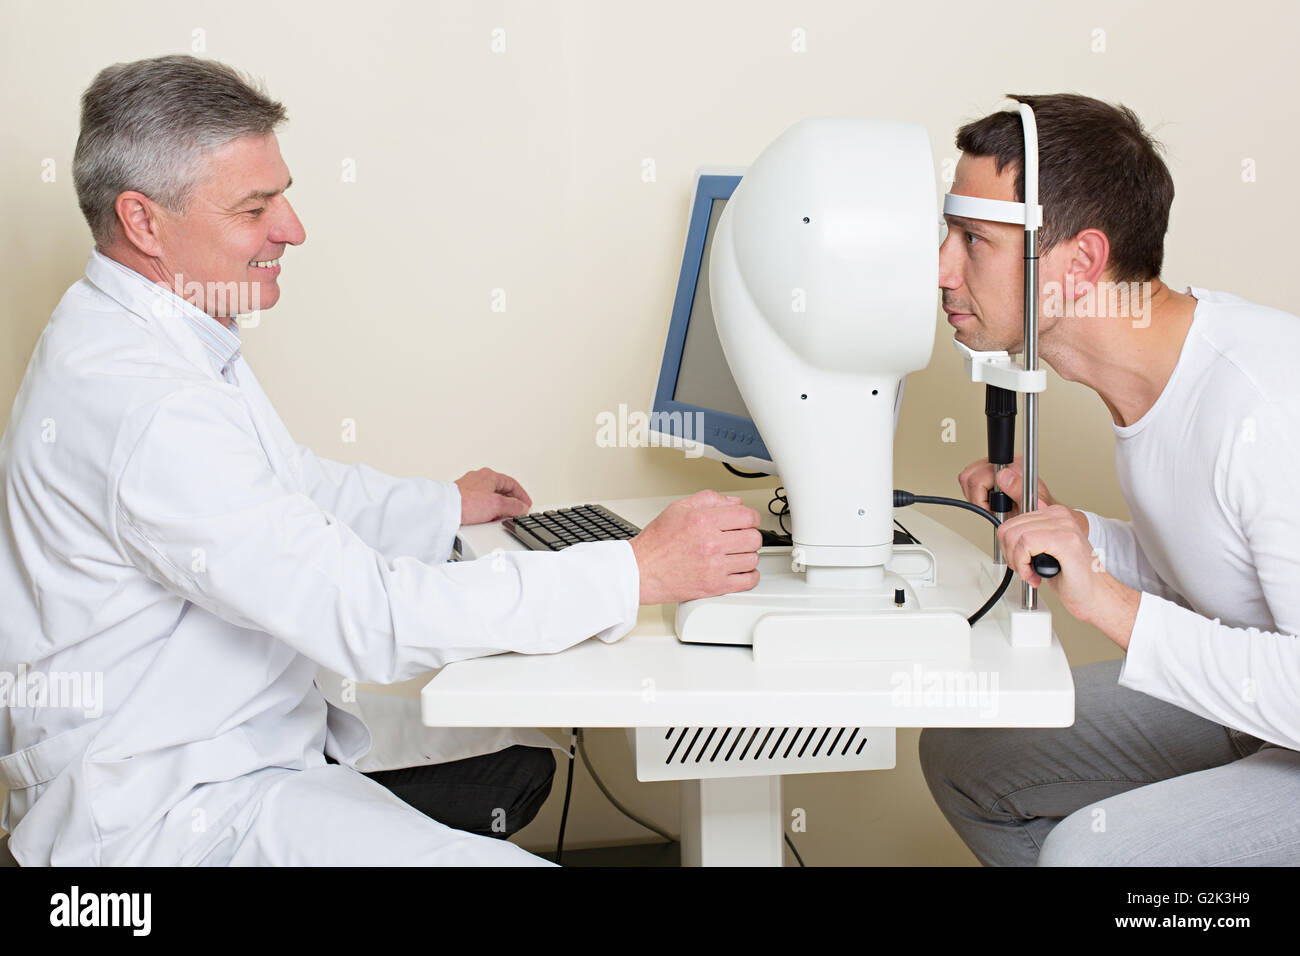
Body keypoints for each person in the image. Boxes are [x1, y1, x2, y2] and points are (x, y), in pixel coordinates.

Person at [0, 54, 762, 866]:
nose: (292, 228)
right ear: (145, 222)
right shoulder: (143, 402)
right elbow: (366, 616)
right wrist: (635, 574)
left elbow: (280, 485)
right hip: (173, 812)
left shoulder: (150, 331)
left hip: (232, 738)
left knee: (521, 752)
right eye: (256, 208)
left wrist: (439, 507)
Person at [922, 93, 1300, 865]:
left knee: (1092, 858)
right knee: (970, 760)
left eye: (974, 240)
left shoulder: (1264, 410)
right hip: (1257, 714)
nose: (941, 268)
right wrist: (1080, 537)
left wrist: (1115, 606)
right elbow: (1224, 575)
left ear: (1081, 263)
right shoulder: (1152, 379)